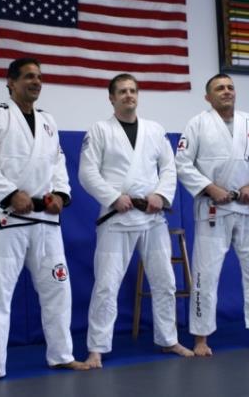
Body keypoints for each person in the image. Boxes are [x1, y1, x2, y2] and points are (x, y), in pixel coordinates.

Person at [0, 58, 89, 387]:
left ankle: (62, 354)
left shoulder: (48, 120)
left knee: (58, 289)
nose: (36, 82)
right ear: (11, 82)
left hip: (45, 219)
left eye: (39, 77)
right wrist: (9, 193)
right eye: (29, 77)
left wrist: (61, 195)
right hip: (7, 218)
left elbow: (58, 162)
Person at [79, 73, 194, 368]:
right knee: (106, 285)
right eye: (122, 91)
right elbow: (87, 173)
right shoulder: (99, 130)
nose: (129, 95)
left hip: (152, 218)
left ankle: (168, 339)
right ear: (111, 98)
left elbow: (169, 168)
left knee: (165, 281)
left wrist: (161, 195)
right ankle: (96, 348)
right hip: (117, 218)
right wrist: (112, 197)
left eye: (132, 90)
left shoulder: (155, 130)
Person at [175, 73, 249, 356]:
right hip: (213, 209)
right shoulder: (197, 124)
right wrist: (210, 188)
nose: (226, 91)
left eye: (230, 87)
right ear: (208, 97)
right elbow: (182, 164)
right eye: (219, 88)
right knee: (205, 274)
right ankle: (201, 338)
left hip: (247, 208)